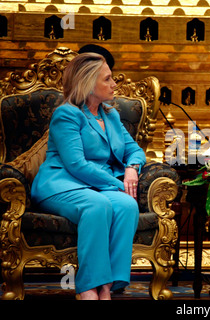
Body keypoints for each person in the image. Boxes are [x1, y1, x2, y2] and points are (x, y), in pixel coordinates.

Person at [31, 52, 147, 300]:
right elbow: (77, 165)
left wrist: (131, 168)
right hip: (62, 185)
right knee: (98, 205)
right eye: (107, 79)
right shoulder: (67, 115)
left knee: (127, 205)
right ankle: (87, 288)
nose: (114, 84)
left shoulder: (111, 115)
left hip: (97, 187)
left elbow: (134, 150)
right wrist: (117, 183)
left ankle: (107, 286)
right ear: (88, 83)